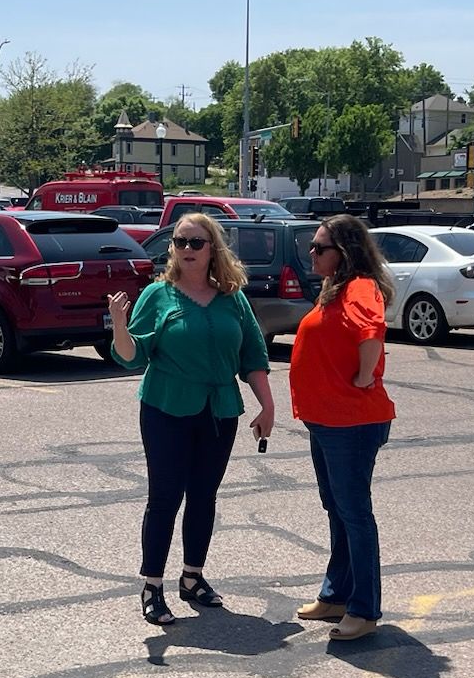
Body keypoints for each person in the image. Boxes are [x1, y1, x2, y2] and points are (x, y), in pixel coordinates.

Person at [108, 213, 276, 627]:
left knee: (204, 496)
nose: (186, 250)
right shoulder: (157, 295)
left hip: (219, 411)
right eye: (180, 242)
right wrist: (118, 325)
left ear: (212, 248)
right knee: (164, 498)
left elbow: (253, 355)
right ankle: (152, 585)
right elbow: (132, 356)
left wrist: (267, 406)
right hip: (166, 408)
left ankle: (193, 577)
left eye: (195, 243)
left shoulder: (232, 297)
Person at [288, 215, 396, 642]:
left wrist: (365, 375)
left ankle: (365, 609)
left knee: (354, 514)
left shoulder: (360, 287)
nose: (311, 254)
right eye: (312, 247)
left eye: (319, 248)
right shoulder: (335, 288)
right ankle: (336, 595)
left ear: (345, 253)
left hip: (352, 421)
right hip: (327, 420)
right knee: (337, 509)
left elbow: (371, 331)